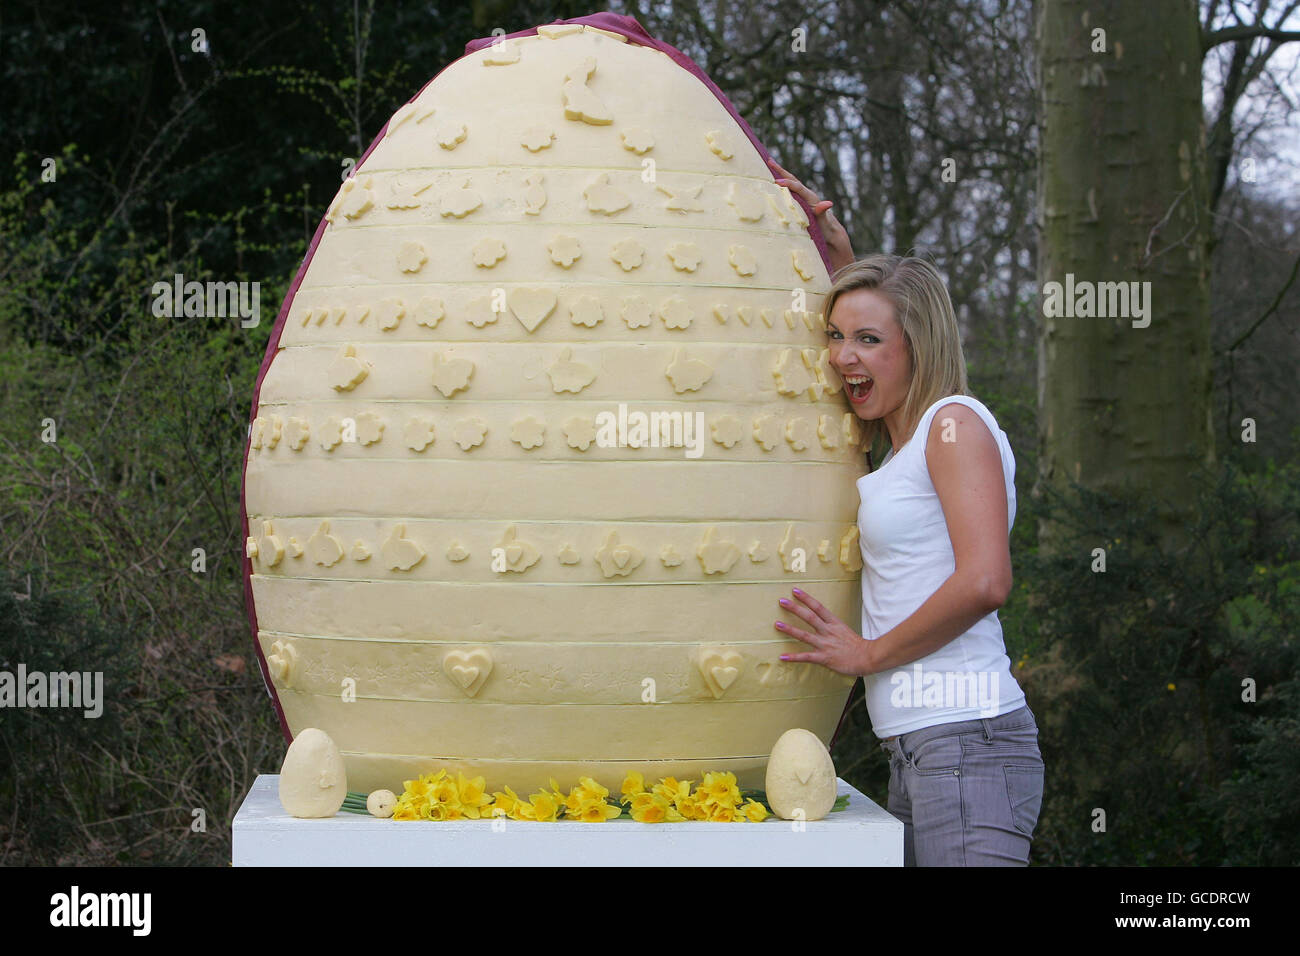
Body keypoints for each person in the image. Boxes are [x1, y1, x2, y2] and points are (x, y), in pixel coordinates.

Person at [766, 158, 1044, 866]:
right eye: (834, 337)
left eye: (866, 341)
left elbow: (986, 581)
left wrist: (866, 655)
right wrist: (840, 257)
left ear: (917, 346)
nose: (839, 358)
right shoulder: (903, 448)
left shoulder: (954, 425)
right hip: (921, 750)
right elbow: (884, 317)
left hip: (969, 742)